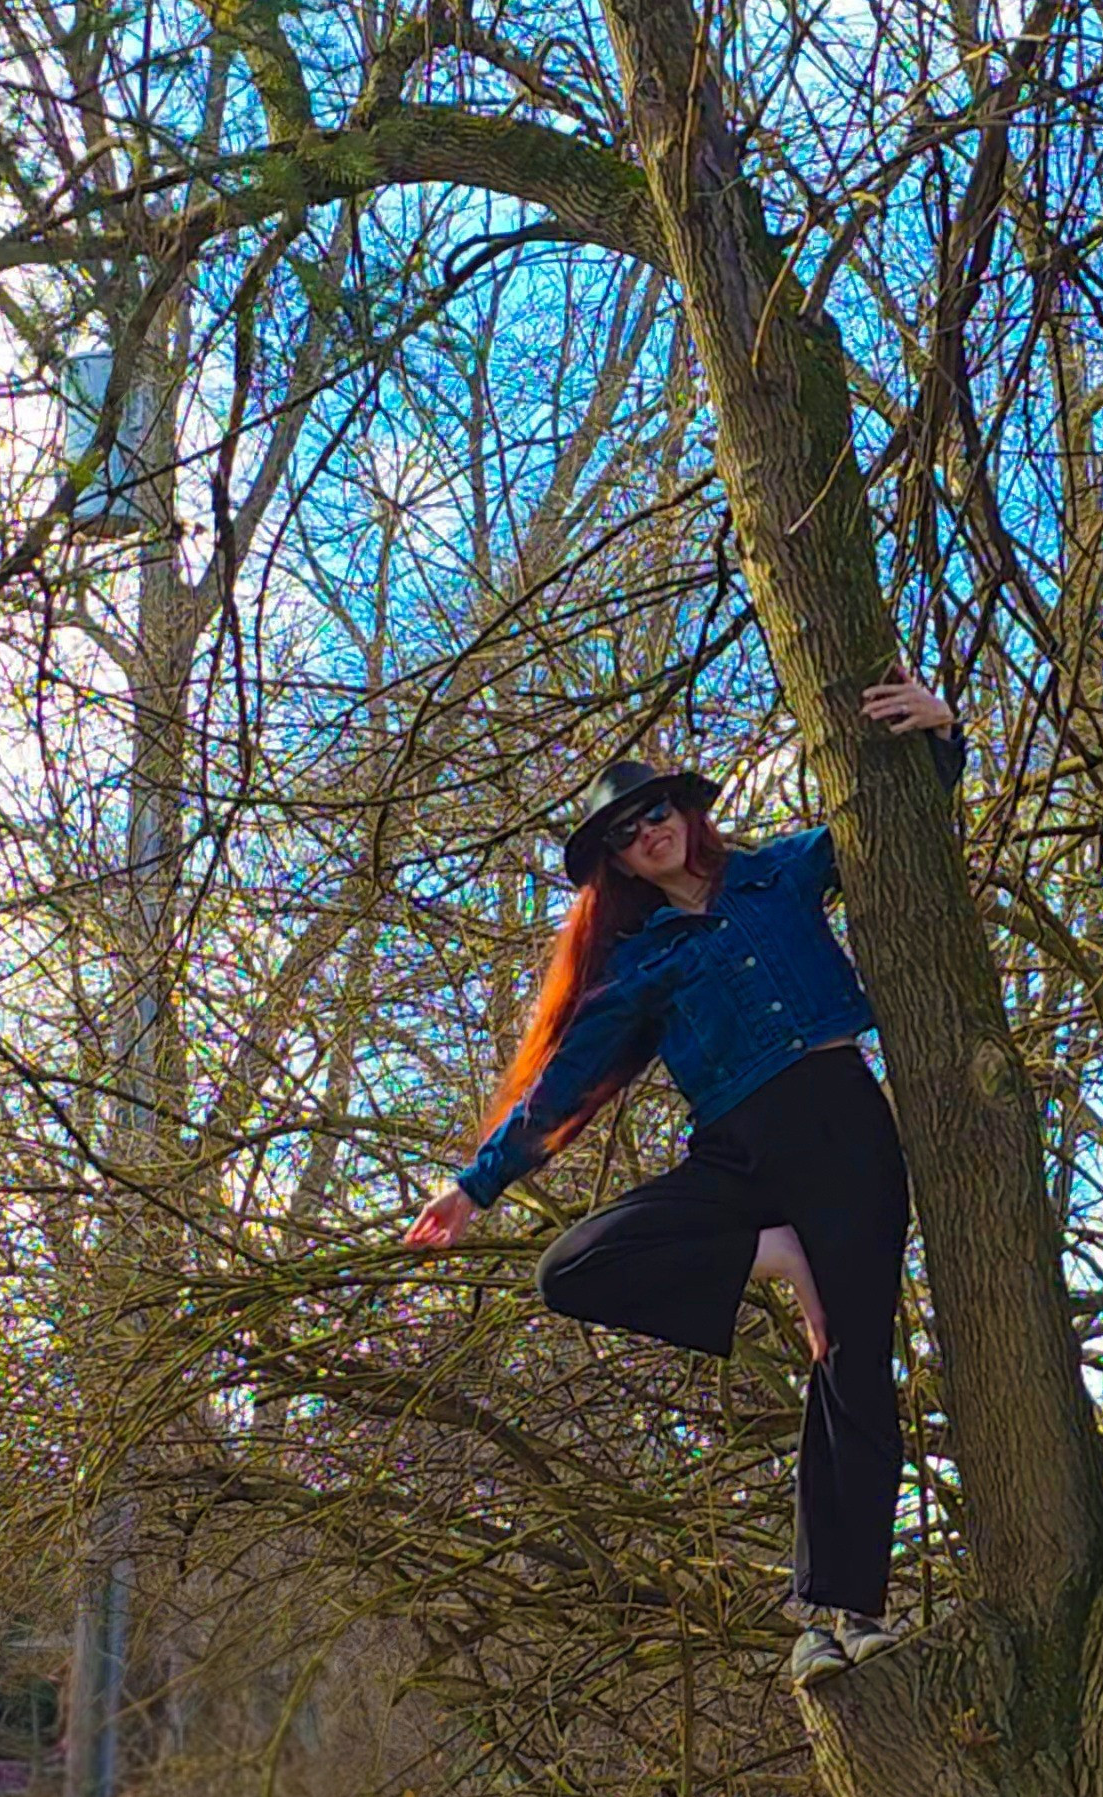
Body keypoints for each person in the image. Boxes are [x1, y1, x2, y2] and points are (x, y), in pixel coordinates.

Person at [406, 673, 963, 1686]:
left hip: (843, 1127)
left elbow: (897, 832)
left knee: (852, 1364)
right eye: (624, 831)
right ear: (615, 860)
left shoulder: (780, 874)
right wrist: (476, 1185)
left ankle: (839, 1612)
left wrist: (941, 738)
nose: (647, 832)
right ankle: (772, 1253)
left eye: (655, 809)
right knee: (572, 1267)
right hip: (738, 1155)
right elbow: (565, 1081)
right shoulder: (641, 961)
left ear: (686, 811)